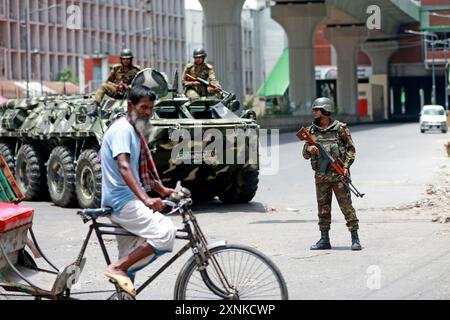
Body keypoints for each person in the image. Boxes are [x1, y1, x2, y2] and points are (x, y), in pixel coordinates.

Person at [100, 72, 176, 296]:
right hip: (123, 203)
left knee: (130, 264)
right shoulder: (123, 130)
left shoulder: (133, 131)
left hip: (125, 202)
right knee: (166, 232)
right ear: (130, 105)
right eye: (143, 108)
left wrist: (161, 190)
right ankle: (117, 267)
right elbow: (124, 167)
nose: (148, 113)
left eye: (150, 109)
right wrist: (146, 199)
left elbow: (136, 171)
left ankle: (122, 280)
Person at [302, 97, 362, 251]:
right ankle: (324, 239)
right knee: (323, 209)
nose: (314, 112)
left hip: (339, 176)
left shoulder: (340, 129)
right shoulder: (311, 131)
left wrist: (346, 167)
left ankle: (355, 238)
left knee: (346, 207)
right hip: (321, 176)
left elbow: (351, 149)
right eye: (314, 109)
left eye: (317, 109)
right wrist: (309, 149)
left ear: (325, 111)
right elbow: (305, 154)